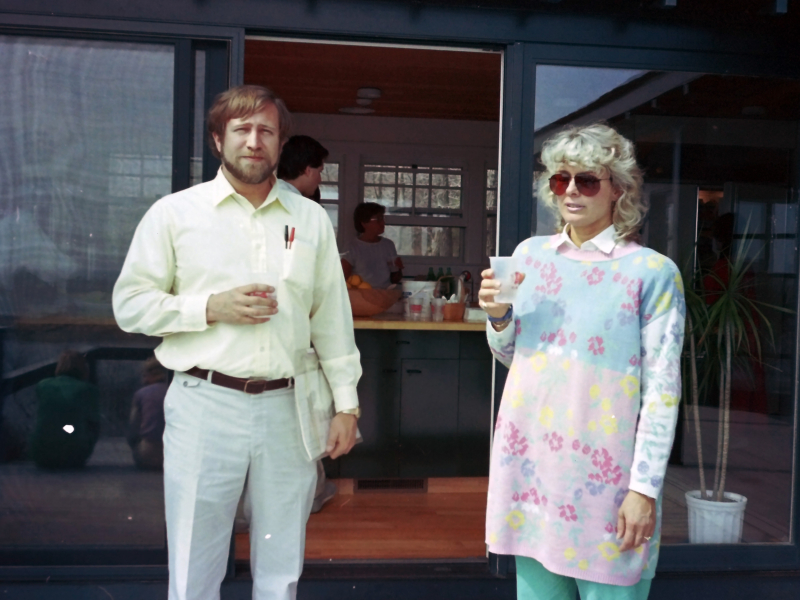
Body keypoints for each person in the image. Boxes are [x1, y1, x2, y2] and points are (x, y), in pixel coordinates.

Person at [113, 84, 361, 600]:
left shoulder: (309, 219)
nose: (254, 141)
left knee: (281, 563)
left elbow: (332, 322)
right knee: (194, 562)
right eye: (241, 129)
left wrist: (347, 406)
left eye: (266, 131)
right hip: (204, 402)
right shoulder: (175, 214)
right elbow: (130, 305)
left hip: (288, 406)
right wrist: (209, 307)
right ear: (217, 139)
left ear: (280, 143)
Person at [479, 123, 685, 600]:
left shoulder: (652, 273)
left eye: (587, 180)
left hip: (607, 484)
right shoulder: (529, 256)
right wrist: (499, 315)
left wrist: (644, 490)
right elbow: (512, 356)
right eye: (560, 178)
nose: (571, 190)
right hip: (531, 472)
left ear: (618, 189)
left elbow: (662, 392)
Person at [276, 133, 338, 513]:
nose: (321, 177)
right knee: (304, 422)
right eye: (319, 169)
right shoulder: (297, 211)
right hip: (291, 341)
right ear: (306, 168)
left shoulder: (282, 203)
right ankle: (311, 494)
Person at [29, 350, 100, 470]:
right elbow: (94, 421)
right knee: (91, 424)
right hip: (74, 455)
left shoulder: (42, 385)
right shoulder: (88, 390)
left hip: (40, 453)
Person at [341, 202, 403, 288]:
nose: (383, 222)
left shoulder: (388, 245)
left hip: (385, 293)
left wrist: (399, 268)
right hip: (361, 294)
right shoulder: (351, 247)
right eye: (378, 219)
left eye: (383, 218)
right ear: (364, 223)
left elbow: (395, 279)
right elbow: (343, 279)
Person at [127, 357, 168, 470]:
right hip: (174, 455)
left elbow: (133, 428)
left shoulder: (140, 394)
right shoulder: (179, 393)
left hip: (147, 454)